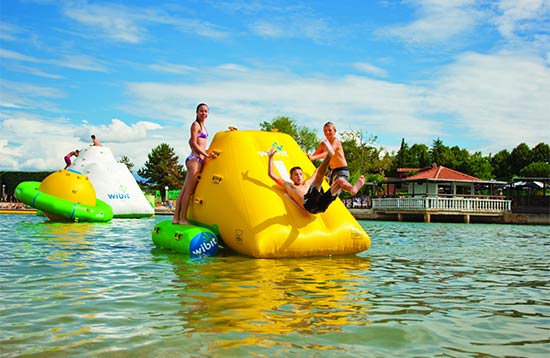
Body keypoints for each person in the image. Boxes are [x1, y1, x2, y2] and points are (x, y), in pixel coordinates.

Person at [268, 139, 365, 214]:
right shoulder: (288, 185)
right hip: (309, 205)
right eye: (296, 175)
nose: (299, 176)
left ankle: (352, 189)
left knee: (339, 181)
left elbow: (316, 172)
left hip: (321, 207)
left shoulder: (306, 183)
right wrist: (270, 158)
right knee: (318, 180)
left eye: (301, 174)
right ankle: (329, 156)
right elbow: (271, 175)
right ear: (291, 177)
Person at [172, 103, 214, 225]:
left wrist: (207, 153)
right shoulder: (195, 125)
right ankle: (183, 219)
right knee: (189, 191)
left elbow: (202, 144)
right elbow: (193, 143)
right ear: (196, 112)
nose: (203, 113)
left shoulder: (203, 126)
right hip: (195, 160)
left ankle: (175, 218)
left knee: (184, 190)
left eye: (206, 111)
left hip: (198, 160)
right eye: (201, 111)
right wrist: (206, 155)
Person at [308, 121, 364, 195]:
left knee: (340, 182)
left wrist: (313, 157)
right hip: (333, 172)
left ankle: (352, 189)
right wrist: (310, 157)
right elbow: (313, 156)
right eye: (325, 131)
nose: (327, 132)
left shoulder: (336, 141)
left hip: (342, 170)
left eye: (330, 130)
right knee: (330, 194)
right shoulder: (323, 144)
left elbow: (329, 153)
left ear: (334, 131)